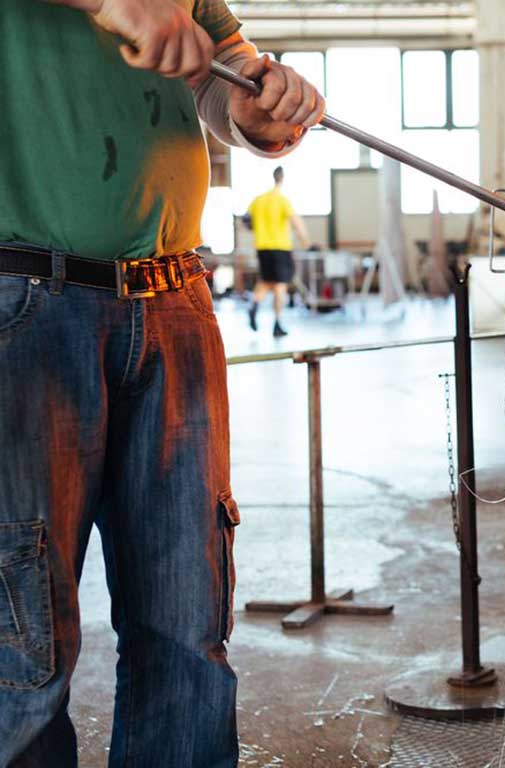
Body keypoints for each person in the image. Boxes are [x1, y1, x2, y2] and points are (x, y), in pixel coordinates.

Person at [0, 1, 325, 766]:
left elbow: (217, 69)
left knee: (187, 630)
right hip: (24, 302)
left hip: (175, 296)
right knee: (21, 646)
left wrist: (255, 105)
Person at [247, 166, 310, 338]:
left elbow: (246, 220)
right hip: (280, 247)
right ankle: (277, 323)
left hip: (262, 247)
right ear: (282, 178)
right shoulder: (282, 200)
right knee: (280, 286)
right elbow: (296, 222)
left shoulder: (258, 200)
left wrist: (259, 230)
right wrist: (305, 240)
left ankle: (254, 305)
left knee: (266, 281)